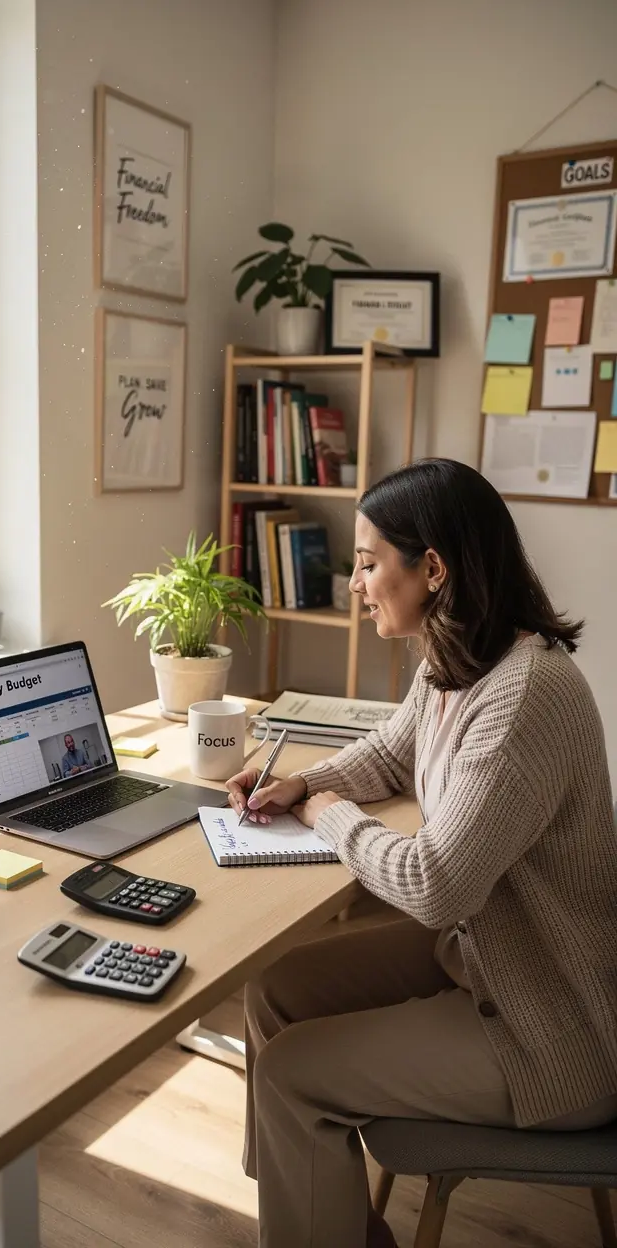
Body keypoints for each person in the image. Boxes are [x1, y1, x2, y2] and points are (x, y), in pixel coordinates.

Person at [225, 458, 617, 1248]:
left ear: (431, 568)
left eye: (369, 564)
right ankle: (322, 1215)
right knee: (274, 990)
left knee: (288, 1074)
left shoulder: (524, 692)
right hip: (480, 961)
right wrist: (301, 783)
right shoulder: (459, 659)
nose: (357, 584)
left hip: (553, 1029)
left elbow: (434, 886)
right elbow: (392, 753)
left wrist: (327, 812)